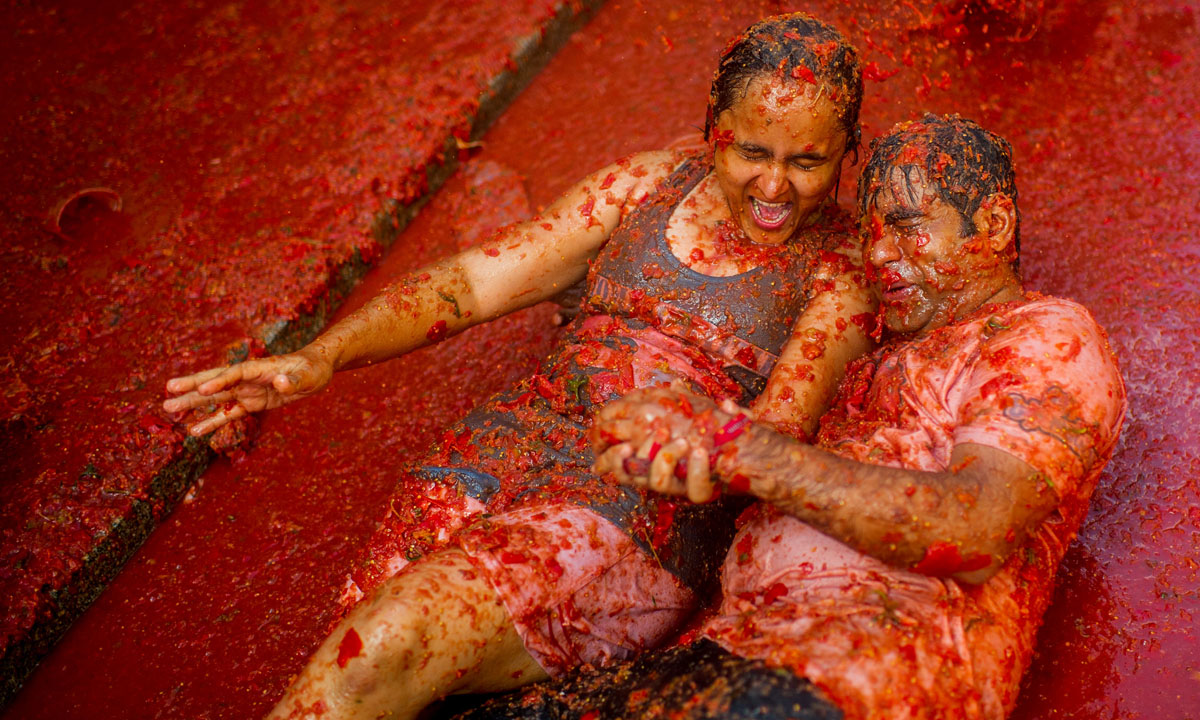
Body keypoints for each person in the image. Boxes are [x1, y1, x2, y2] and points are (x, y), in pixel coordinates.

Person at [162, 14, 875, 720]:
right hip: (502, 450)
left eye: (807, 162)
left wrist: (690, 448)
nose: (776, 187)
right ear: (713, 126)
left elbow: (773, 436)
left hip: (632, 517)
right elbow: (472, 285)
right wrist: (323, 356)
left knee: (382, 645)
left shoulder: (837, 276)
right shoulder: (644, 186)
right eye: (753, 151)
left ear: (846, 152)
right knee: (363, 648)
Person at [581, 115, 1126, 719]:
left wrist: (736, 447)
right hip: (734, 649)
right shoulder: (874, 355)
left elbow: (976, 528)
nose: (879, 255)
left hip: (867, 670)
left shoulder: (1045, 335)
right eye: (870, 233)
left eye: (906, 226)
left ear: (993, 225)